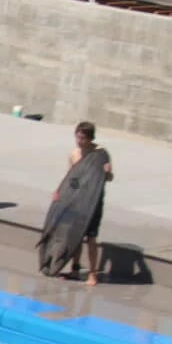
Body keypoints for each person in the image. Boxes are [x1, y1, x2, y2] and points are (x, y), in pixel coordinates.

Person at [38, 120, 114, 284]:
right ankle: (75, 269)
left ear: (90, 138)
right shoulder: (74, 154)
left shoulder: (101, 154)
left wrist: (107, 173)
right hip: (76, 201)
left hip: (93, 202)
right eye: (77, 137)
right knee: (74, 235)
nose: (79, 141)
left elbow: (108, 179)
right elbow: (70, 177)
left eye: (82, 139)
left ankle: (92, 273)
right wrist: (59, 191)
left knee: (91, 238)